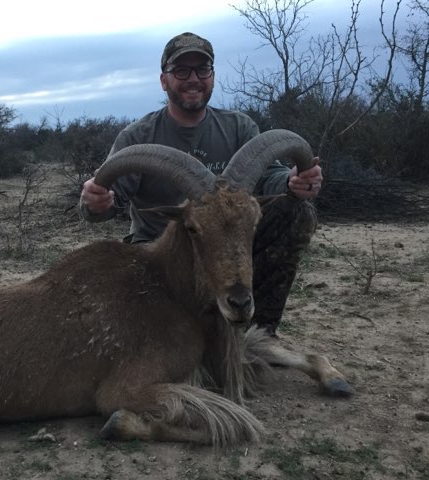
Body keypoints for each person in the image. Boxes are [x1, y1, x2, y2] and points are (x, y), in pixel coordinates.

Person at [78, 32, 322, 335]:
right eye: (181, 70)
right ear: (164, 80)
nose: (193, 78)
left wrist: (293, 181)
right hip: (161, 255)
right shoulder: (138, 136)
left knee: (296, 211)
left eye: (202, 69)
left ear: (213, 76)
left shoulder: (239, 127)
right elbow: (104, 199)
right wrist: (96, 202)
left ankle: (261, 333)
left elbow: (271, 178)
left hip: (228, 243)